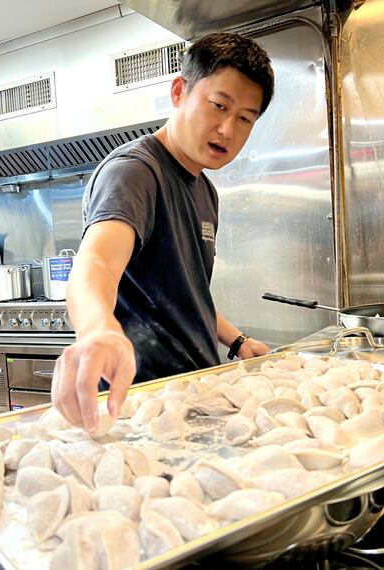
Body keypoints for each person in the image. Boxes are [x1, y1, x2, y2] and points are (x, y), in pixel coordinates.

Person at [52, 32, 275, 430]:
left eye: (245, 119)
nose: (228, 129)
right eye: (219, 106)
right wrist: (97, 328)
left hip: (194, 392)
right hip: (142, 406)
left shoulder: (204, 188)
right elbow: (97, 263)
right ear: (179, 91)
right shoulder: (135, 172)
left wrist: (237, 340)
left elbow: (186, 294)